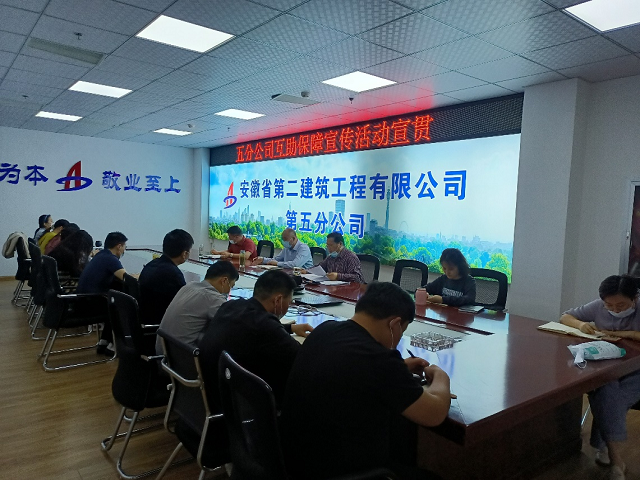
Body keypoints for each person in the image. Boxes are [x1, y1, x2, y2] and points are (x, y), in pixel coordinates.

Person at [281, 282, 452, 480]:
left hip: (294, 460)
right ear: (394, 324)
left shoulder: (325, 330)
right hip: (342, 472)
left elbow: (353, 369)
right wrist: (440, 375)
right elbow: (434, 414)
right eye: (402, 331)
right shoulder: (379, 359)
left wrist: (401, 368)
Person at [560, 274, 640, 480]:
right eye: (609, 306)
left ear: (635, 298)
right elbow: (565, 317)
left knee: (608, 398)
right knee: (606, 388)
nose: (615, 310)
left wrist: (625, 334)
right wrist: (581, 325)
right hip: (608, 366)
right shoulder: (598, 306)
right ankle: (616, 459)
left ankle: (607, 450)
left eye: (621, 305)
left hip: (636, 369)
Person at [198, 270, 313, 409]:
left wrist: (290, 328)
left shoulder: (231, 306)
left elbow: (252, 327)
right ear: (278, 300)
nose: (288, 307)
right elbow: (302, 359)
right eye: (289, 302)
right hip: (239, 407)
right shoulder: (265, 326)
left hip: (210, 393)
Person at [155, 261, 239, 355]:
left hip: (162, 352)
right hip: (183, 357)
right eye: (231, 286)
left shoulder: (189, 286)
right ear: (224, 281)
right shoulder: (213, 298)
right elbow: (233, 325)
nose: (229, 290)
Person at [77, 232, 134, 355]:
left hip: (82, 301)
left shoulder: (101, 255)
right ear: (119, 246)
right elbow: (127, 279)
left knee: (114, 302)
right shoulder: (111, 259)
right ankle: (113, 346)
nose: (124, 250)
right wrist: (140, 276)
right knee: (122, 307)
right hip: (90, 304)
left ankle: (104, 341)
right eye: (124, 247)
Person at [138, 229, 193, 326]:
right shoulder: (173, 274)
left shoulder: (152, 264)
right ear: (184, 254)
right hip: (160, 325)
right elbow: (185, 304)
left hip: (144, 319)